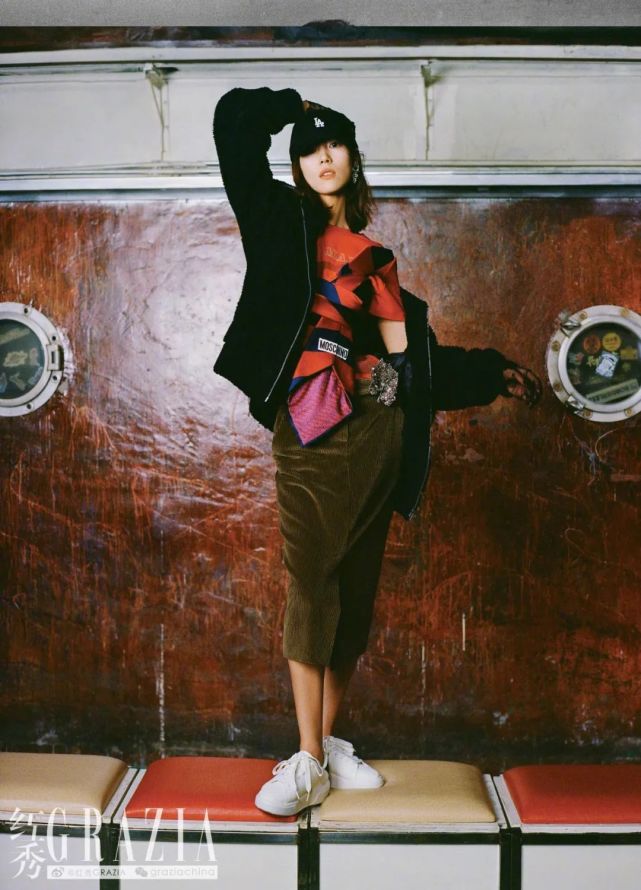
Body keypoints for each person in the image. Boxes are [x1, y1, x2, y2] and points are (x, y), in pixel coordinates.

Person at [212, 86, 542, 817]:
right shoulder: (277, 222)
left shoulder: (377, 262)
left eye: (333, 144)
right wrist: (290, 103)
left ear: (353, 159)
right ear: (296, 166)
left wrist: (490, 371)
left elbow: (410, 366)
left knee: (354, 594)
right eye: (308, 149)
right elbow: (233, 126)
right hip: (310, 427)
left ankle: (325, 744)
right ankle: (304, 760)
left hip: (376, 432)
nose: (322, 156)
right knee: (312, 580)